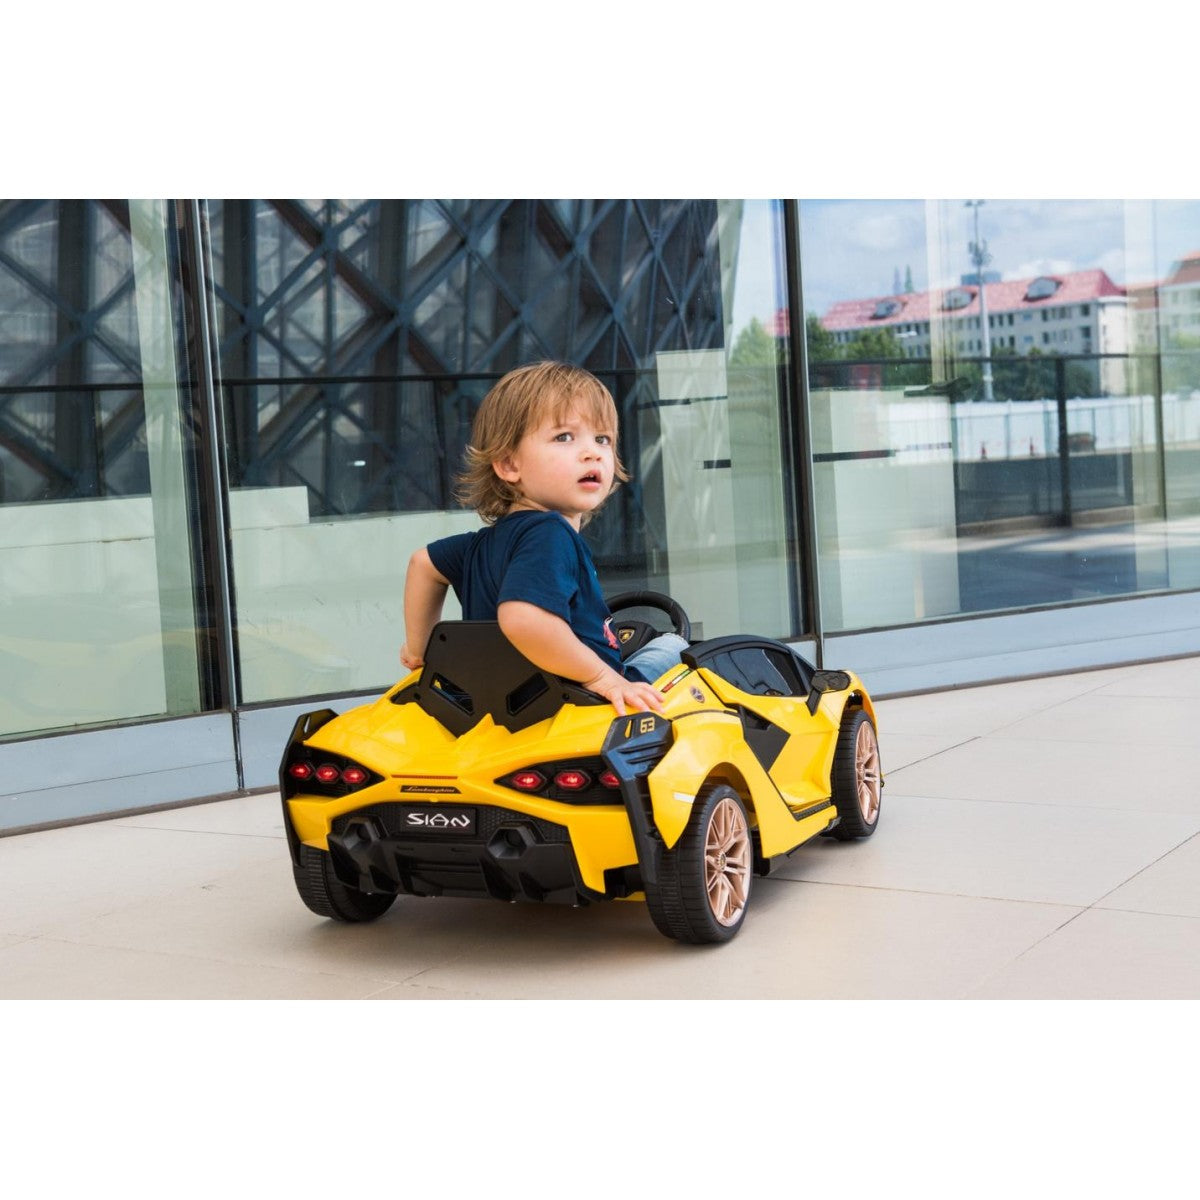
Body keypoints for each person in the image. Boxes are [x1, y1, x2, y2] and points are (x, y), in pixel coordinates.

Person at [400, 361, 687, 716]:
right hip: (577, 700)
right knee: (675, 647)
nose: (592, 452)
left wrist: (419, 651)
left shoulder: (481, 544)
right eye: (564, 437)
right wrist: (602, 676)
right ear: (509, 465)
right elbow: (523, 620)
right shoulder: (550, 534)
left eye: (602, 439)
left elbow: (423, 564)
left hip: (502, 706)